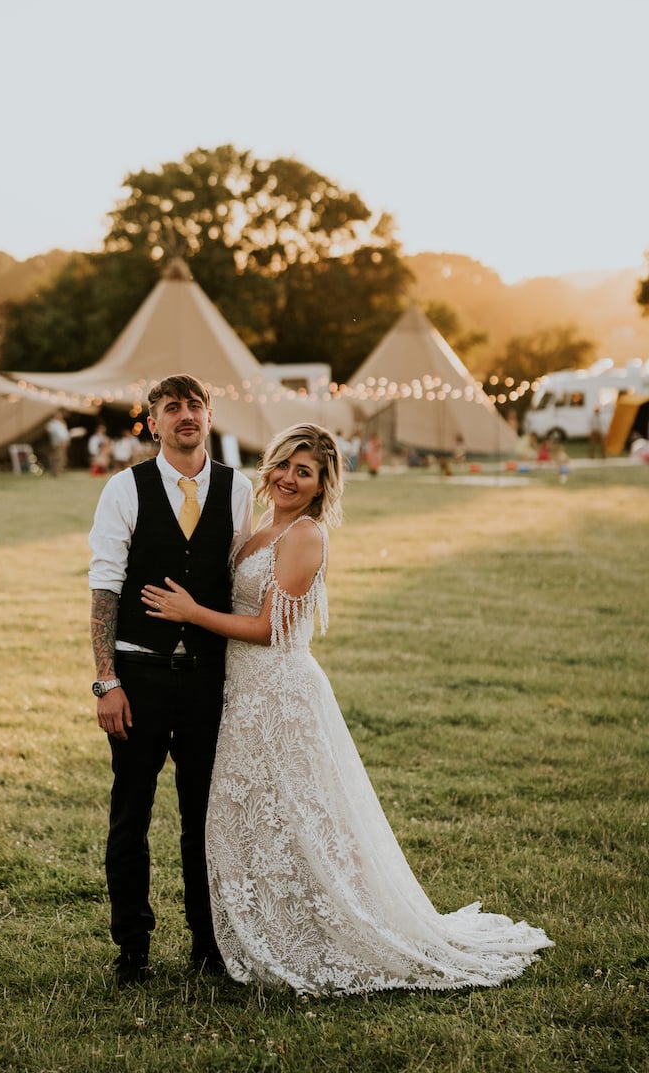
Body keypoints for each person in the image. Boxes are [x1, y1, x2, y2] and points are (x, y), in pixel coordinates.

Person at [143, 423, 554, 996]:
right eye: (284, 464)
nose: (288, 477)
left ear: (320, 485)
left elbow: (270, 629)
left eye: (303, 472)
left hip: (280, 695)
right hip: (242, 695)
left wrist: (191, 613)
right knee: (258, 815)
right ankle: (270, 924)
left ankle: (322, 932)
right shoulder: (262, 525)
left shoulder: (305, 535)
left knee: (304, 819)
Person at [88, 374, 254, 985]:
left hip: (208, 679)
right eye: (171, 407)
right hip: (140, 674)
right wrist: (107, 681)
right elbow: (105, 586)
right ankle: (132, 948)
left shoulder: (240, 490)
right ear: (152, 422)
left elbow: (236, 581)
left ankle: (208, 946)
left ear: (209, 416)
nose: (185, 415)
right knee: (130, 816)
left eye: (194, 406)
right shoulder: (123, 489)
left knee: (202, 817)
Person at [45, 410, 70, 476]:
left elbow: (65, 434)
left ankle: (59, 470)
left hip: (63, 443)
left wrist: (66, 441)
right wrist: (59, 441)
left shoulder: (62, 423)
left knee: (62, 458)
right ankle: (54, 471)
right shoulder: (52, 424)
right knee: (56, 457)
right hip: (57, 443)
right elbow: (54, 434)